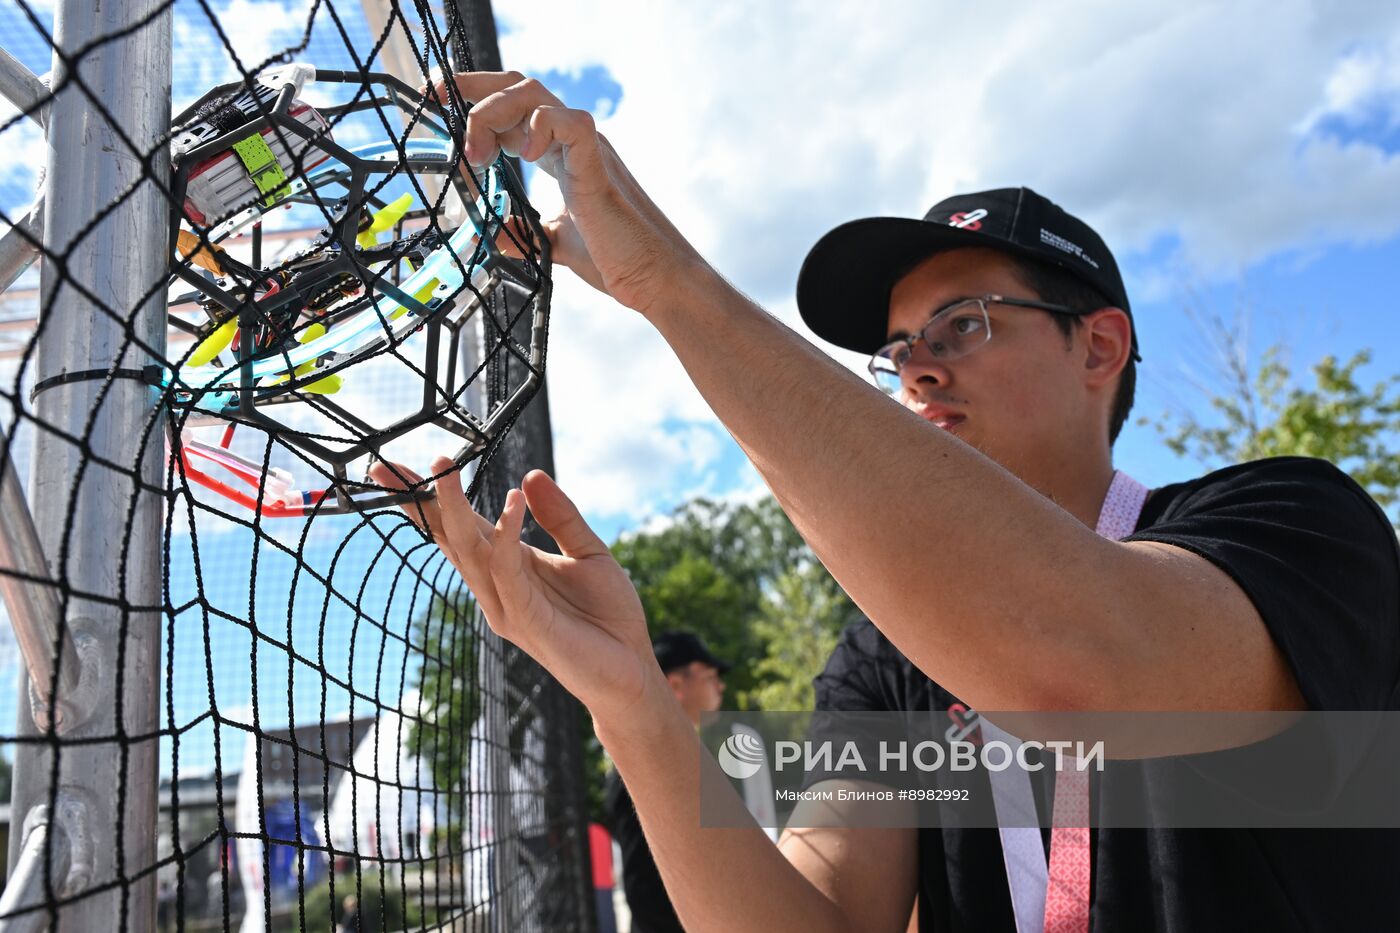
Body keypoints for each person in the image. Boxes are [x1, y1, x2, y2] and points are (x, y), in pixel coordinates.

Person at [369, 72, 1400, 932]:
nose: (919, 373)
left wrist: (667, 288)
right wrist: (631, 701)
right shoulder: (885, 662)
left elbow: (1077, 665)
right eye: (899, 352)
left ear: (1097, 344)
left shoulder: (1291, 526)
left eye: (963, 325)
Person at [604, 632, 729, 933]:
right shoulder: (646, 764)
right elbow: (645, 889)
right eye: (710, 676)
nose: (720, 686)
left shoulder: (672, 758)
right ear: (675, 685)